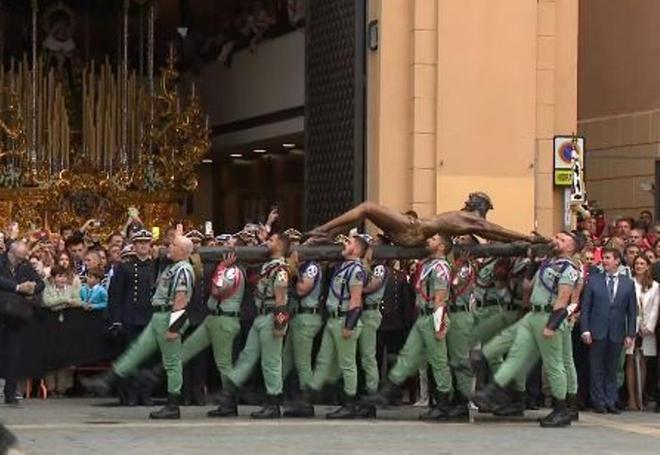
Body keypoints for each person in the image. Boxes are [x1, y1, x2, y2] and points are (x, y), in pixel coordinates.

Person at [474, 231, 581, 427]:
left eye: (562, 240)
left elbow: (563, 299)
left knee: (554, 364)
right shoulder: (548, 263)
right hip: (533, 314)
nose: (556, 240)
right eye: (556, 237)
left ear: (571, 248)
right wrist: (533, 263)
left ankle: (561, 410)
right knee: (515, 354)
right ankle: (492, 391)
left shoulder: (569, 269)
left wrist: (552, 325)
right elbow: (527, 287)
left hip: (549, 316)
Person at [81, 236, 195, 420]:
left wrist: (175, 327)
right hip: (158, 315)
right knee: (136, 351)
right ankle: (107, 380)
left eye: (173, 245)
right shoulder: (173, 266)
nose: (168, 247)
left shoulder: (183, 269)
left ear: (183, 251)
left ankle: (173, 404)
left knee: (172, 363)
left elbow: (181, 300)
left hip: (169, 316)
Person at [373, 233, 454, 421]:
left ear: (442, 247)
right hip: (422, 317)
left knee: (438, 361)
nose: (429, 241)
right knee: (408, 354)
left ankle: (443, 404)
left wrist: (439, 325)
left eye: (434, 240)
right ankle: (388, 391)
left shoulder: (441, 267)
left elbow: (440, 298)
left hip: (433, 316)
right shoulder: (428, 265)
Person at [214, 232, 290, 419]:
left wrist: (280, 325)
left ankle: (274, 402)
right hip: (260, 316)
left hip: (272, 315)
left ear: (280, 245)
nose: (266, 242)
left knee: (271, 362)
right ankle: (230, 391)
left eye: (271, 240)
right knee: (247, 356)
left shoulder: (280, 269)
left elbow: (281, 301)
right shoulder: (267, 266)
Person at [306, 192, 546, 247]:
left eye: (472, 198)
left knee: (368, 207)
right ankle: (326, 234)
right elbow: (496, 234)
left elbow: (498, 231)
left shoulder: (472, 221)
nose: (467, 199)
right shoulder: (467, 220)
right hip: (414, 230)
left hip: (414, 231)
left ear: (478, 205)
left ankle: (323, 230)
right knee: (367, 210)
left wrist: (526, 238)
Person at [580, 248, 637, 414]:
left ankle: (611, 400)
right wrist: (585, 330)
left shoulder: (628, 283)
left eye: (608, 258)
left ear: (617, 261)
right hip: (597, 330)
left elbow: (632, 311)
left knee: (612, 368)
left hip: (617, 331)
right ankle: (598, 401)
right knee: (596, 367)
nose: (604, 261)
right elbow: (586, 308)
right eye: (603, 258)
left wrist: (630, 333)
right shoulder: (594, 281)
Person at [107, 229, 156, 407]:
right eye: (139, 243)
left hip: (149, 317)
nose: (143, 246)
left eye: (146, 243)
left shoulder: (155, 266)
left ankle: (146, 393)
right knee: (131, 356)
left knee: (147, 358)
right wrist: (116, 319)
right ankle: (130, 394)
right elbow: (116, 295)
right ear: (134, 246)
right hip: (130, 316)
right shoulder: (125, 266)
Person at [0, 240, 45, 405]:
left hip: (16, 315)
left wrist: (32, 288)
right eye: (18, 258)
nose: (21, 261)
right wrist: (18, 287)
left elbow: (41, 283)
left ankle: (10, 393)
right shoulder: (1, 261)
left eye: (23, 258)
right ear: (11, 253)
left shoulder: (25, 266)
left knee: (14, 354)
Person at [281, 246, 324, 417]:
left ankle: (306, 402)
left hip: (307, 317)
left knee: (303, 362)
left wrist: (291, 274)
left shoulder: (312, 267)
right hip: (297, 317)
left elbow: (302, 289)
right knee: (286, 359)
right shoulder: (301, 268)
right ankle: (274, 395)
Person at [625, 255, 658, 410]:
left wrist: (648, 327)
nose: (638, 266)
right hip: (631, 326)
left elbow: (655, 308)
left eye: (642, 263)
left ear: (647, 266)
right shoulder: (628, 283)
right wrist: (632, 326)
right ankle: (631, 398)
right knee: (630, 359)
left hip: (646, 329)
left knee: (643, 361)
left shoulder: (655, 286)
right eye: (636, 263)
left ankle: (640, 396)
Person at [42, 265, 81, 396]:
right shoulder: (47, 289)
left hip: (67, 326)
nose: (63, 279)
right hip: (51, 326)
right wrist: (65, 300)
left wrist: (62, 303)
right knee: (51, 357)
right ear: (53, 278)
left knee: (65, 357)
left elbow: (78, 302)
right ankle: (51, 387)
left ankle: (63, 388)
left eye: (65, 276)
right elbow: (48, 303)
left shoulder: (71, 289)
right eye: (60, 276)